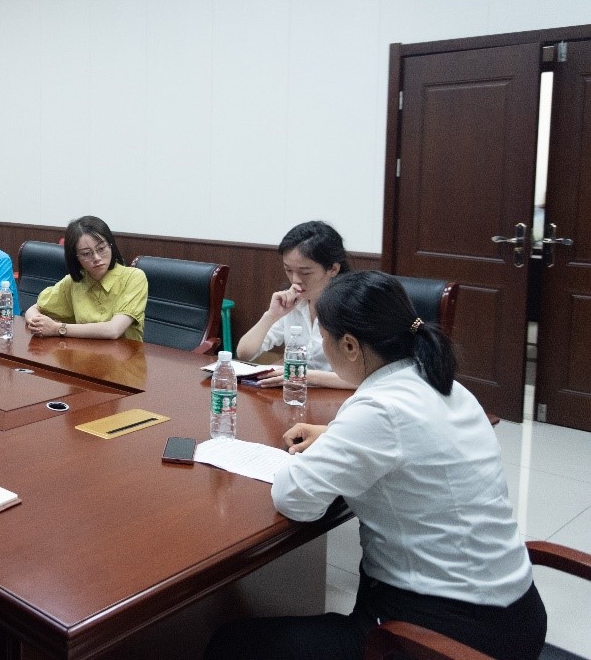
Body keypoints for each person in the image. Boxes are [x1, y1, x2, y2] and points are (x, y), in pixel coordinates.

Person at [204, 271, 546, 660]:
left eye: (324, 338)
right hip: (515, 615)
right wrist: (336, 435)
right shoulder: (444, 383)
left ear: (350, 346)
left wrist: (331, 443)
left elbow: (294, 499)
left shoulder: (378, 409)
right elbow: (409, 439)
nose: (322, 346)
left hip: (440, 635)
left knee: (230, 644)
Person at [236, 221, 352, 389]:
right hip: (296, 394)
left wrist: (305, 376)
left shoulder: (353, 307)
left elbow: (363, 378)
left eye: (305, 272)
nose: (296, 280)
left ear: (333, 269)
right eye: (288, 270)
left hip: (339, 399)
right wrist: (271, 315)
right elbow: (245, 353)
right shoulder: (293, 303)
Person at [23, 216, 147, 340]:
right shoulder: (74, 282)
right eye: (86, 253)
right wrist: (38, 323)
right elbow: (34, 309)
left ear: (111, 245)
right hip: (82, 351)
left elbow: (113, 330)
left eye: (101, 249)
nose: (97, 258)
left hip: (124, 352)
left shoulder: (134, 278)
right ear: (76, 257)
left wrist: (57, 328)